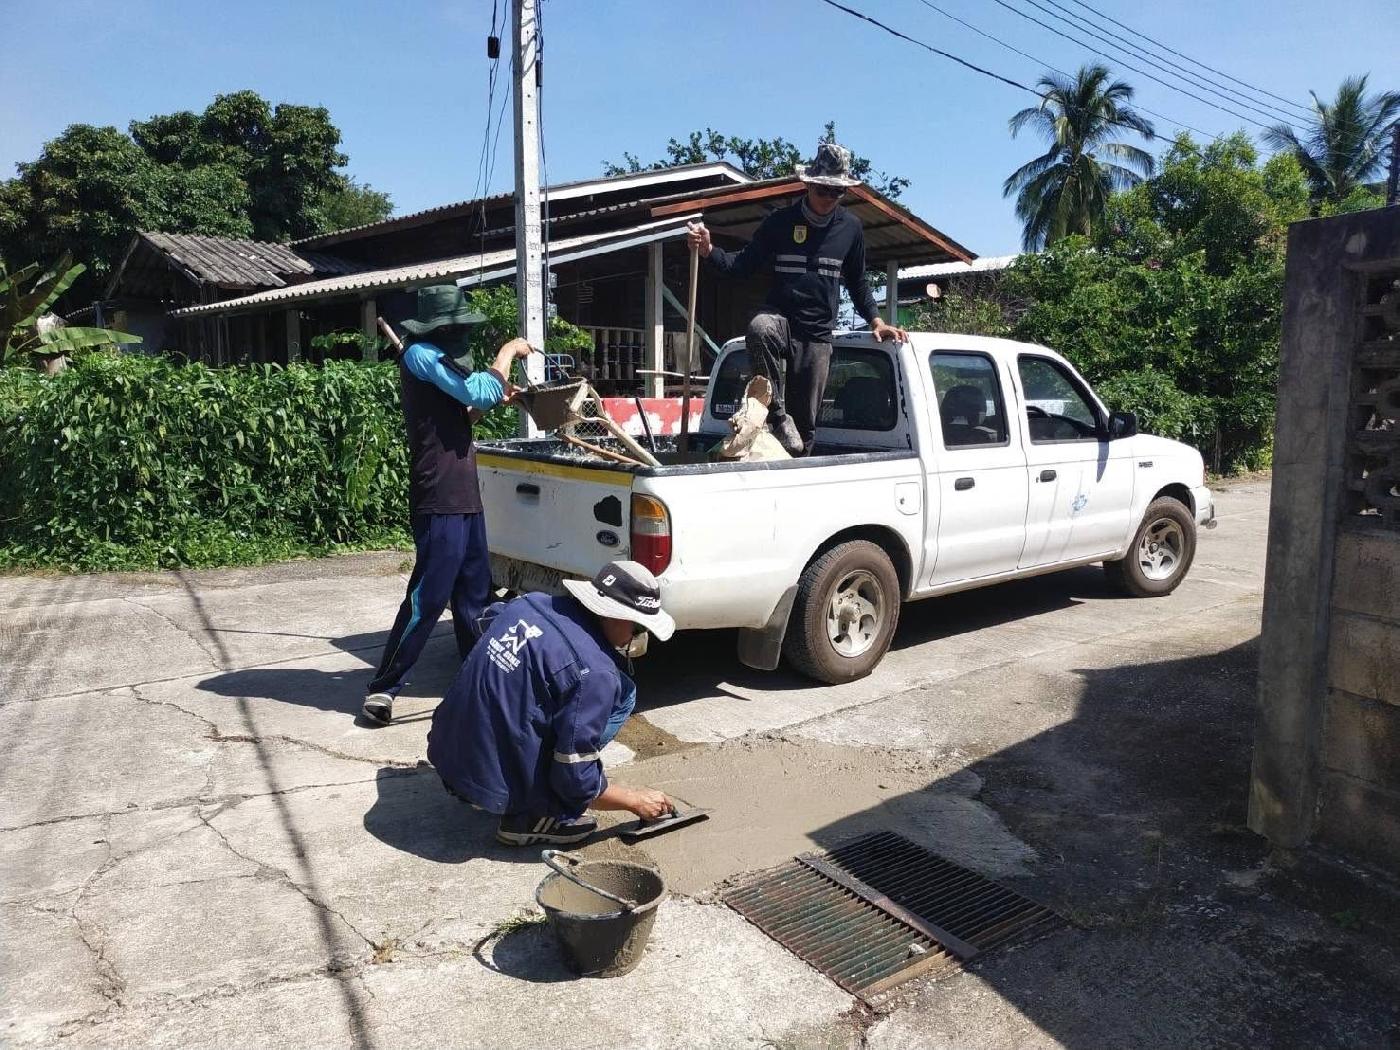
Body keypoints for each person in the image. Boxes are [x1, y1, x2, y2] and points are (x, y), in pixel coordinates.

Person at [362, 285, 532, 727]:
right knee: (428, 596)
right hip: (438, 495)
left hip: (465, 495)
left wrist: (493, 398)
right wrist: (507, 353)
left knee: (475, 596)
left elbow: (465, 412)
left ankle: (479, 681)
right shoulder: (420, 355)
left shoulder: (440, 363)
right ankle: (384, 686)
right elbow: (478, 391)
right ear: (441, 327)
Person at [427, 560, 675, 846]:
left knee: (613, 689)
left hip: (445, 750)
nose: (636, 637)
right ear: (615, 616)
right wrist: (633, 800)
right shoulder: (594, 673)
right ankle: (535, 814)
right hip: (485, 784)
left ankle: (505, 774)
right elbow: (575, 775)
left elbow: (484, 622)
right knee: (621, 697)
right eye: (637, 628)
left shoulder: (529, 603)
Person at [686, 142, 908, 457]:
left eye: (837, 192)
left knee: (803, 431)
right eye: (822, 189)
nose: (828, 198)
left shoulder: (851, 228)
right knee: (760, 328)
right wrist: (709, 251)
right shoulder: (780, 222)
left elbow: (858, 281)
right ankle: (777, 417)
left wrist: (876, 321)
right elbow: (741, 265)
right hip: (782, 319)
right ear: (808, 184)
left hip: (817, 333)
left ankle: (797, 465)